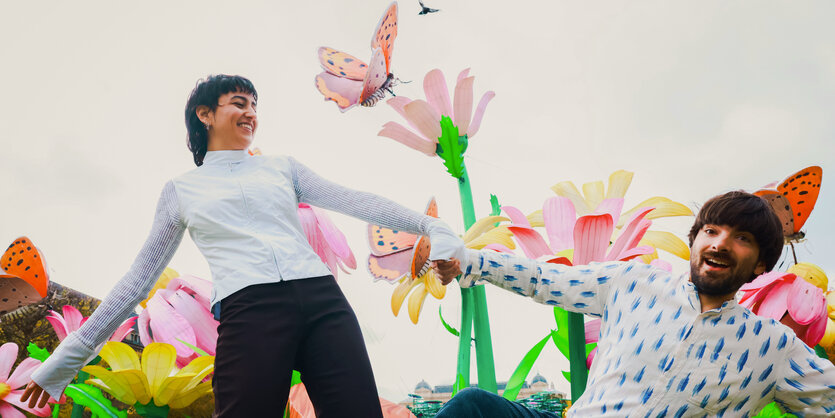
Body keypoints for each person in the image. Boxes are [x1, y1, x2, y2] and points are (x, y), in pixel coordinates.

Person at [22, 74, 465, 417]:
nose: (250, 112)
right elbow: (138, 281)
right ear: (204, 115)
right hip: (250, 311)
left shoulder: (281, 168)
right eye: (238, 103)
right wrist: (67, 357)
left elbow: (352, 199)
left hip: (323, 303)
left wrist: (432, 226)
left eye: (254, 105)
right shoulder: (182, 190)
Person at [431, 191, 835, 417]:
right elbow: (544, 279)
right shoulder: (633, 283)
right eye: (711, 230)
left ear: (761, 264)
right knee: (472, 408)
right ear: (695, 242)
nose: (720, 243)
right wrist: (468, 260)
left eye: (742, 238)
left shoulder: (772, 348)